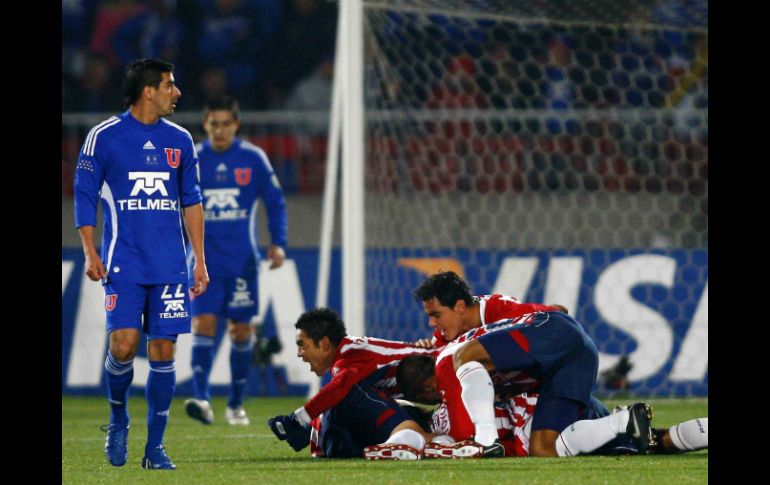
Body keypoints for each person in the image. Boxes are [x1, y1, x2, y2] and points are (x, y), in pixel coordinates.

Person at [74, 58, 209, 470]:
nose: (177, 93)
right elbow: (85, 194)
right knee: (123, 345)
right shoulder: (104, 136)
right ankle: (118, 418)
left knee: (164, 350)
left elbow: (191, 201)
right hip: (124, 262)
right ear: (148, 91)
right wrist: (90, 251)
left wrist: (200, 261)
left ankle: (155, 448)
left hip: (170, 265)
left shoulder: (180, 140)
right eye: (170, 85)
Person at [412, 271, 654, 457]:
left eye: (436, 315)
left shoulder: (500, 308)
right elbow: (436, 359)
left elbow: (557, 314)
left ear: (459, 306)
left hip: (559, 336)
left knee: (465, 356)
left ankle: (486, 442)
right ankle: (626, 423)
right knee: (543, 448)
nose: (432, 323)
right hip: (567, 369)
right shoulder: (446, 336)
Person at [183, 95, 287, 426]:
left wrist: (278, 243)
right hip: (204, 263)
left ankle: (236, 404)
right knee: (203, 324)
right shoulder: (193, 158)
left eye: (225, 124)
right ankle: (202, 399)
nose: (219, 130)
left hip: (242, 262)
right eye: (214, 124)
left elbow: (275, 201)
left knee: (241, 331)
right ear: (205, 125)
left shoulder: (253, 158)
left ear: (236, 125)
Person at [397, 353, 707, 458]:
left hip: (541, 419)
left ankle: (621, 421)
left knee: (547, 447)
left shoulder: (443, 423)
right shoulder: (464, 368)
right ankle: (623, 423)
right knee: (652, 442)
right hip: (562, 404)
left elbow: (452, 444)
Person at [267, 308, 437, 459]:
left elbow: (338, 389)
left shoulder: (350, 355)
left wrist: (297, 420)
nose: (299, 353)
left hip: (335, 440)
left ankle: (414, 438)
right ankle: (423, 438)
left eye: (302, 345)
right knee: (350, 392)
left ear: (324, 344)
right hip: (335, 437)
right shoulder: (351, 353)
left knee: (350, 390)